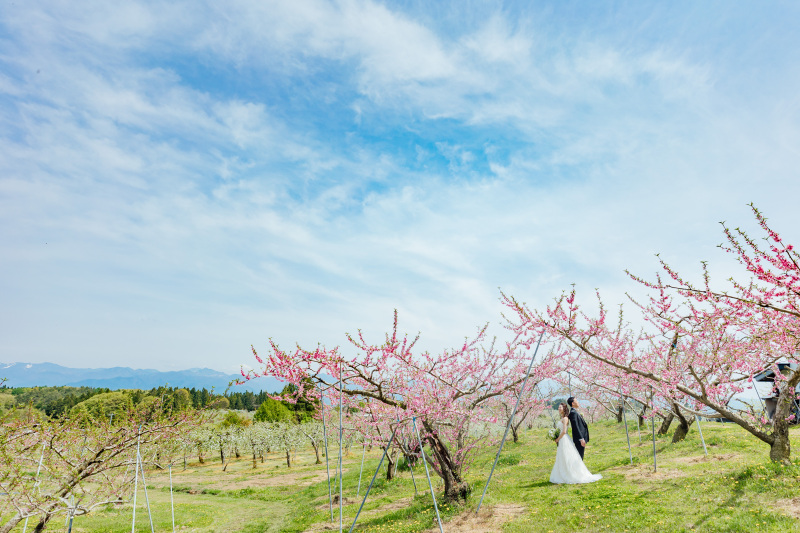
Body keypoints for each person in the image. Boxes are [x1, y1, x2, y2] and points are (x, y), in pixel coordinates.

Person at [550, 403, 602, 484]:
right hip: (562, 440)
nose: (559, 408)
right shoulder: (562, 418)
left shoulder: (565, 418)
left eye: (560, 407)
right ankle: (562, 473)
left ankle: (571, 474)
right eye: (558, 407)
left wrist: (557, 439)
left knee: (567, 456)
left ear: (564, 408)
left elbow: (564, 431)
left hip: (564, 439)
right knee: (562, 457)